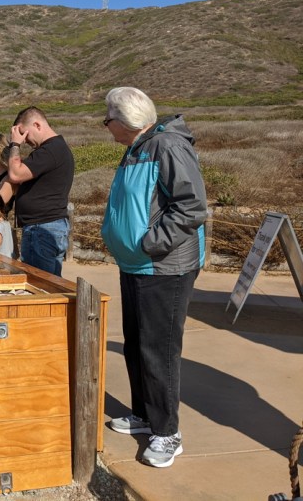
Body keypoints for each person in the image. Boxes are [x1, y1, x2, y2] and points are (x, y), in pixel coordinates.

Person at [100, 87, 207, 468]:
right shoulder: (138, 148)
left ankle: (168, 433)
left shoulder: (167, 146)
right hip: (136, 265)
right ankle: (145, 415)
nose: (105, 124)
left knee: (158, 351)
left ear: (126, 119)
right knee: (137, 343)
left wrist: (149, 244)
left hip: (163, 266)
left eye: (108, 117)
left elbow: (191, 207)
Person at [6, 106, 74, 276]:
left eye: (24, 133)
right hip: (44, 227)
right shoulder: (52, 149)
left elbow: (15, 174)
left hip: (42, 228)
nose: (24, 140)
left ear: (37, 125)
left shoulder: (51, 150)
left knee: (41, 286)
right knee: (49, 283)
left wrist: (14, 144)